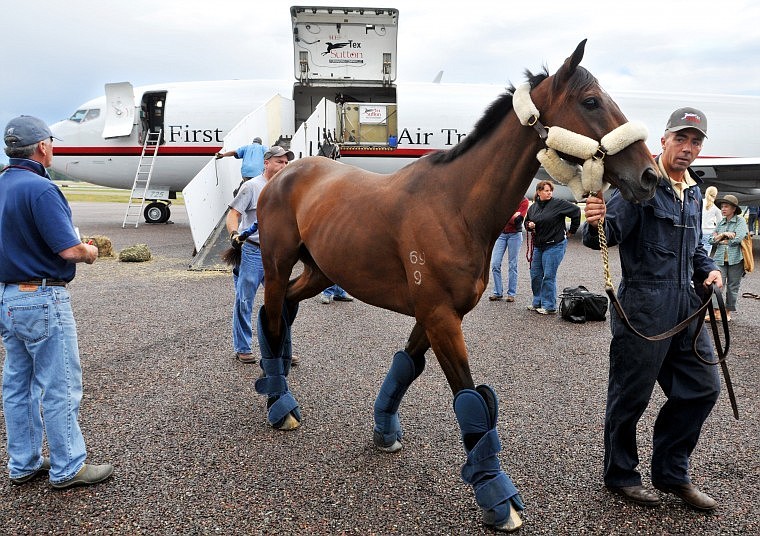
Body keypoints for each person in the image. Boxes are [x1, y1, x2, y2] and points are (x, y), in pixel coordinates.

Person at [582, 107, 723, 511]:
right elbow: (606, 236)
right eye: (681, 139)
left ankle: (671, 473)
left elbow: (695, 247)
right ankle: (621, 476)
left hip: (687, 306)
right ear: (663, 141)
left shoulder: (694, 192)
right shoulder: (642, 185)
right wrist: (594, 219)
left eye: (695, 141)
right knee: (630, 398)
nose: (688, 148)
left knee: (702, 389)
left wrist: (710, 270)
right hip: (644, 306)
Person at [0, 115, 113, 489]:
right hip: (41, 296)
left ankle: (23, 463)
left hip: (6, 296)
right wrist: (91, 252)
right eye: (51, 142)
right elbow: (68, 249)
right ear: (42, 147)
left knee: (18, 384)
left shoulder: (1, 183)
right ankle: (68, 467)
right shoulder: (41, 189)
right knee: (60, 384)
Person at [226, 146, 293, 364]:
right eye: (279, 162)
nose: (283, 166)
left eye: (285, 162)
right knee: (245, 300)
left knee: (281, 302)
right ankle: (243, 347)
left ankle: (282, 350)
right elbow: (233, 214)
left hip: (278, 254)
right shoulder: (251, 186)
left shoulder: (288, 188)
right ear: (266, 163)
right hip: (253, 252)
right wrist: (235, 234)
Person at [524, 181, 580, 314]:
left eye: (550, 190)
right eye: (546, 191)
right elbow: (526, 222)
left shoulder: (558, 203)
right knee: (535, 275)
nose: (549, 193)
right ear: (538, 192)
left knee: (548, 276)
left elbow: (576, 211)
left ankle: (549, 306)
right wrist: (529, 225)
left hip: (555, 245)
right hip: (539, 246)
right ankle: (537, 302)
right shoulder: (533, 207)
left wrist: (572, 230)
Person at [708, 194, 748, 322]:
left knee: (732, 287)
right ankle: (716, 312)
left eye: (726, 206)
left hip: (736, 259)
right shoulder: (721, 223)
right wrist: (724, 235)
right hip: (719, 259)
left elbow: (738, 239)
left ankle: (727, 312)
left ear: (733, 209)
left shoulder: (740, 221)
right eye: (722, 207)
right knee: (716, 285)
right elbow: (710, 240)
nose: (723, 209)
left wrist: (719, 238)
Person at [489, 196, 529, 302]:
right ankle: (497, 292)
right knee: (495, 264)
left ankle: (511, 293)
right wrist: (513, 215)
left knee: (512, 264)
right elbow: (496, 216)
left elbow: (518, 220)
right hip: (501, 234)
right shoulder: (504, 198)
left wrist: (506, 215)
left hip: (515, 235)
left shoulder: (524, 201)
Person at [700, 186, 721, 253]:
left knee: (697, 251)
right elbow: (719, 221)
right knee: (706, 253)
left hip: (698, 230)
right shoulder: (716, 206)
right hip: (710, 232)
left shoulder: (700, 203)